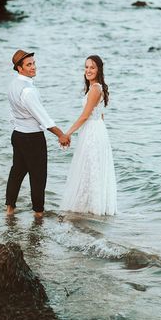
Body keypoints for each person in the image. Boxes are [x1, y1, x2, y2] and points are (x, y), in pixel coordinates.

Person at [5, 49, 70, 218]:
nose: (33, 67)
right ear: (19, 68)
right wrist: (61, 135)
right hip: (32, 138)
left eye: (33, 63)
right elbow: (43, 118)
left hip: (17, 135)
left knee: (17, 172)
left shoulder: (13, 85)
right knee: (38, 176)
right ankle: (38, 213)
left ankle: (9, 210)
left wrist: (19, 125)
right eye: (29, 65)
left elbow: (12, 113)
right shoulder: (28, 91)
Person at [60, 55, 117, 215]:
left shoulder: (95, 89)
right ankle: (89, 207)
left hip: (93, 131)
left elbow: (85, 115)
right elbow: (100, 114)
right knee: (90, 168)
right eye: (86, 67)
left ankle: (90, 208)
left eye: (92, 67)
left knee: (90, 168)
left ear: (99, 70)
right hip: (96, 129)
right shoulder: (97, 88)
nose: (88, 70)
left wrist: (67, 133)